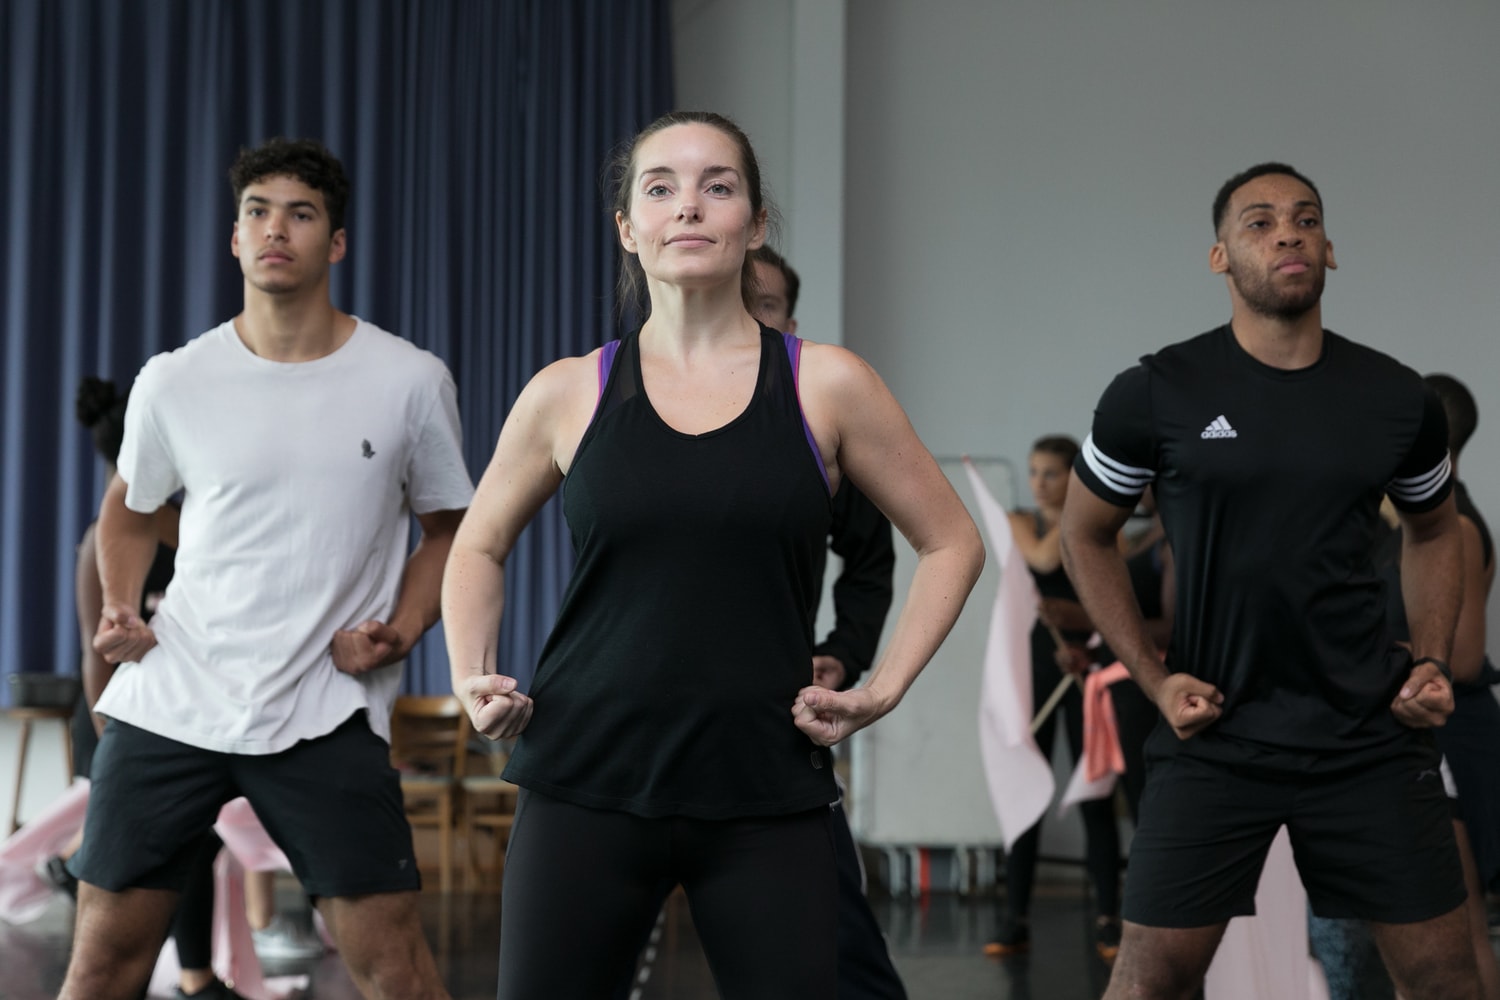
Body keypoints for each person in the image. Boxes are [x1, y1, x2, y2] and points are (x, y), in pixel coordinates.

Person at [442, 110, 984, 999]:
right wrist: (472, 676)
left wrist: (880, 689)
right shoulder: (567, 391)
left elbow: (952, 540)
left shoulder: (828, 384)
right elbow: (479, 544)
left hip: (765, 787)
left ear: (754, 222)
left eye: (717, 186)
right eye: (660, 188)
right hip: (586, 778)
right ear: (628, 227)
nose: (688, 207)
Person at [60, 137, 473, 1000]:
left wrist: (399, 632)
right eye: (257, 211)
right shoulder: (174, 380)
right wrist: (124, 605)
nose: (275, 228)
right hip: (177, 693)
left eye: (301, 212)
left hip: (325, 704)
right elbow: (130, 510)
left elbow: (448, 531)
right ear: (236, 239)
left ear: (337, 242)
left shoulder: (408, 380)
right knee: (101, 961)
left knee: (394, 964)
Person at [1060, 162, 1478, 1000]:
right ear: (1220, 257)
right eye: (1258, 221)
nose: (1287, 232)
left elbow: (1436, 530)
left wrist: (1429, 658)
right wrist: (1152, 674)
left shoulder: (1397, 399)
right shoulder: (1154, 393)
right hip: (1215, 734)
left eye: (1305, 218)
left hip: (1368, 732)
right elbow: (1083, 533)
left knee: (1444, 977)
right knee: (1149, 980)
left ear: (1330, 249)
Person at [752, 245, 908, 996]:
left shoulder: (818, 417)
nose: (750, 313)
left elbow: (875, 560)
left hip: (778, 729)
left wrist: (845, 657)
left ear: (791, 320)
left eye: (769, 303)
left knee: (842, 954)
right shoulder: (618, 396)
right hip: (628, 735)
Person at [984, 435, 1123, 961]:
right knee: (1026, 790)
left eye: (1052, 474)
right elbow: (1043, 557)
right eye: (1034, 472)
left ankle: (1109, 918)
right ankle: (1014, 918)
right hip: (1033, 671)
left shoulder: (1100, 529)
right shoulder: (1027, 523)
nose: (1039, 484)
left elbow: (1117, 587)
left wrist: (1083, 627)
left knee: (1095, 792)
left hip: (1084, 668)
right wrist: (1084, 518)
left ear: (1076, 476)